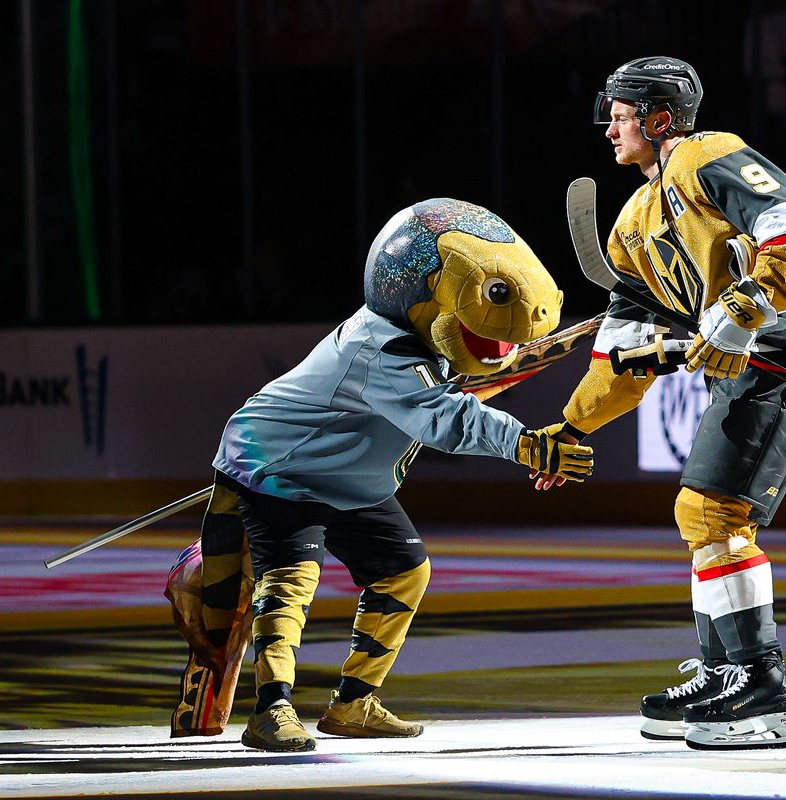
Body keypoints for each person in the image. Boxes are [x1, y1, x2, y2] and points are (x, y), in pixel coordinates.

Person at [533, 57, 786, 750]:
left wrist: (745, 307)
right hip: (754, 352)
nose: (610, 129)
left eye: (620, 116)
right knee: (704, 514)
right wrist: (571, 426)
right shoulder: (630, 227)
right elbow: (622, 359)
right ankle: (722, 673)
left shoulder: (708, 153)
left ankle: (759, 691)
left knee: (713, 510)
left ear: (658, 118)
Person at [196, 198, 593, 752]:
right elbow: (442, 417)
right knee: (291, 579)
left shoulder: (423, 342)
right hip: (280, 467)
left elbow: (451, 391)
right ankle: (271, 711)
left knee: (404, 571)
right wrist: (523, 443)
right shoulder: (382, 349)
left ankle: (353, 704)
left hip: (351, 478)